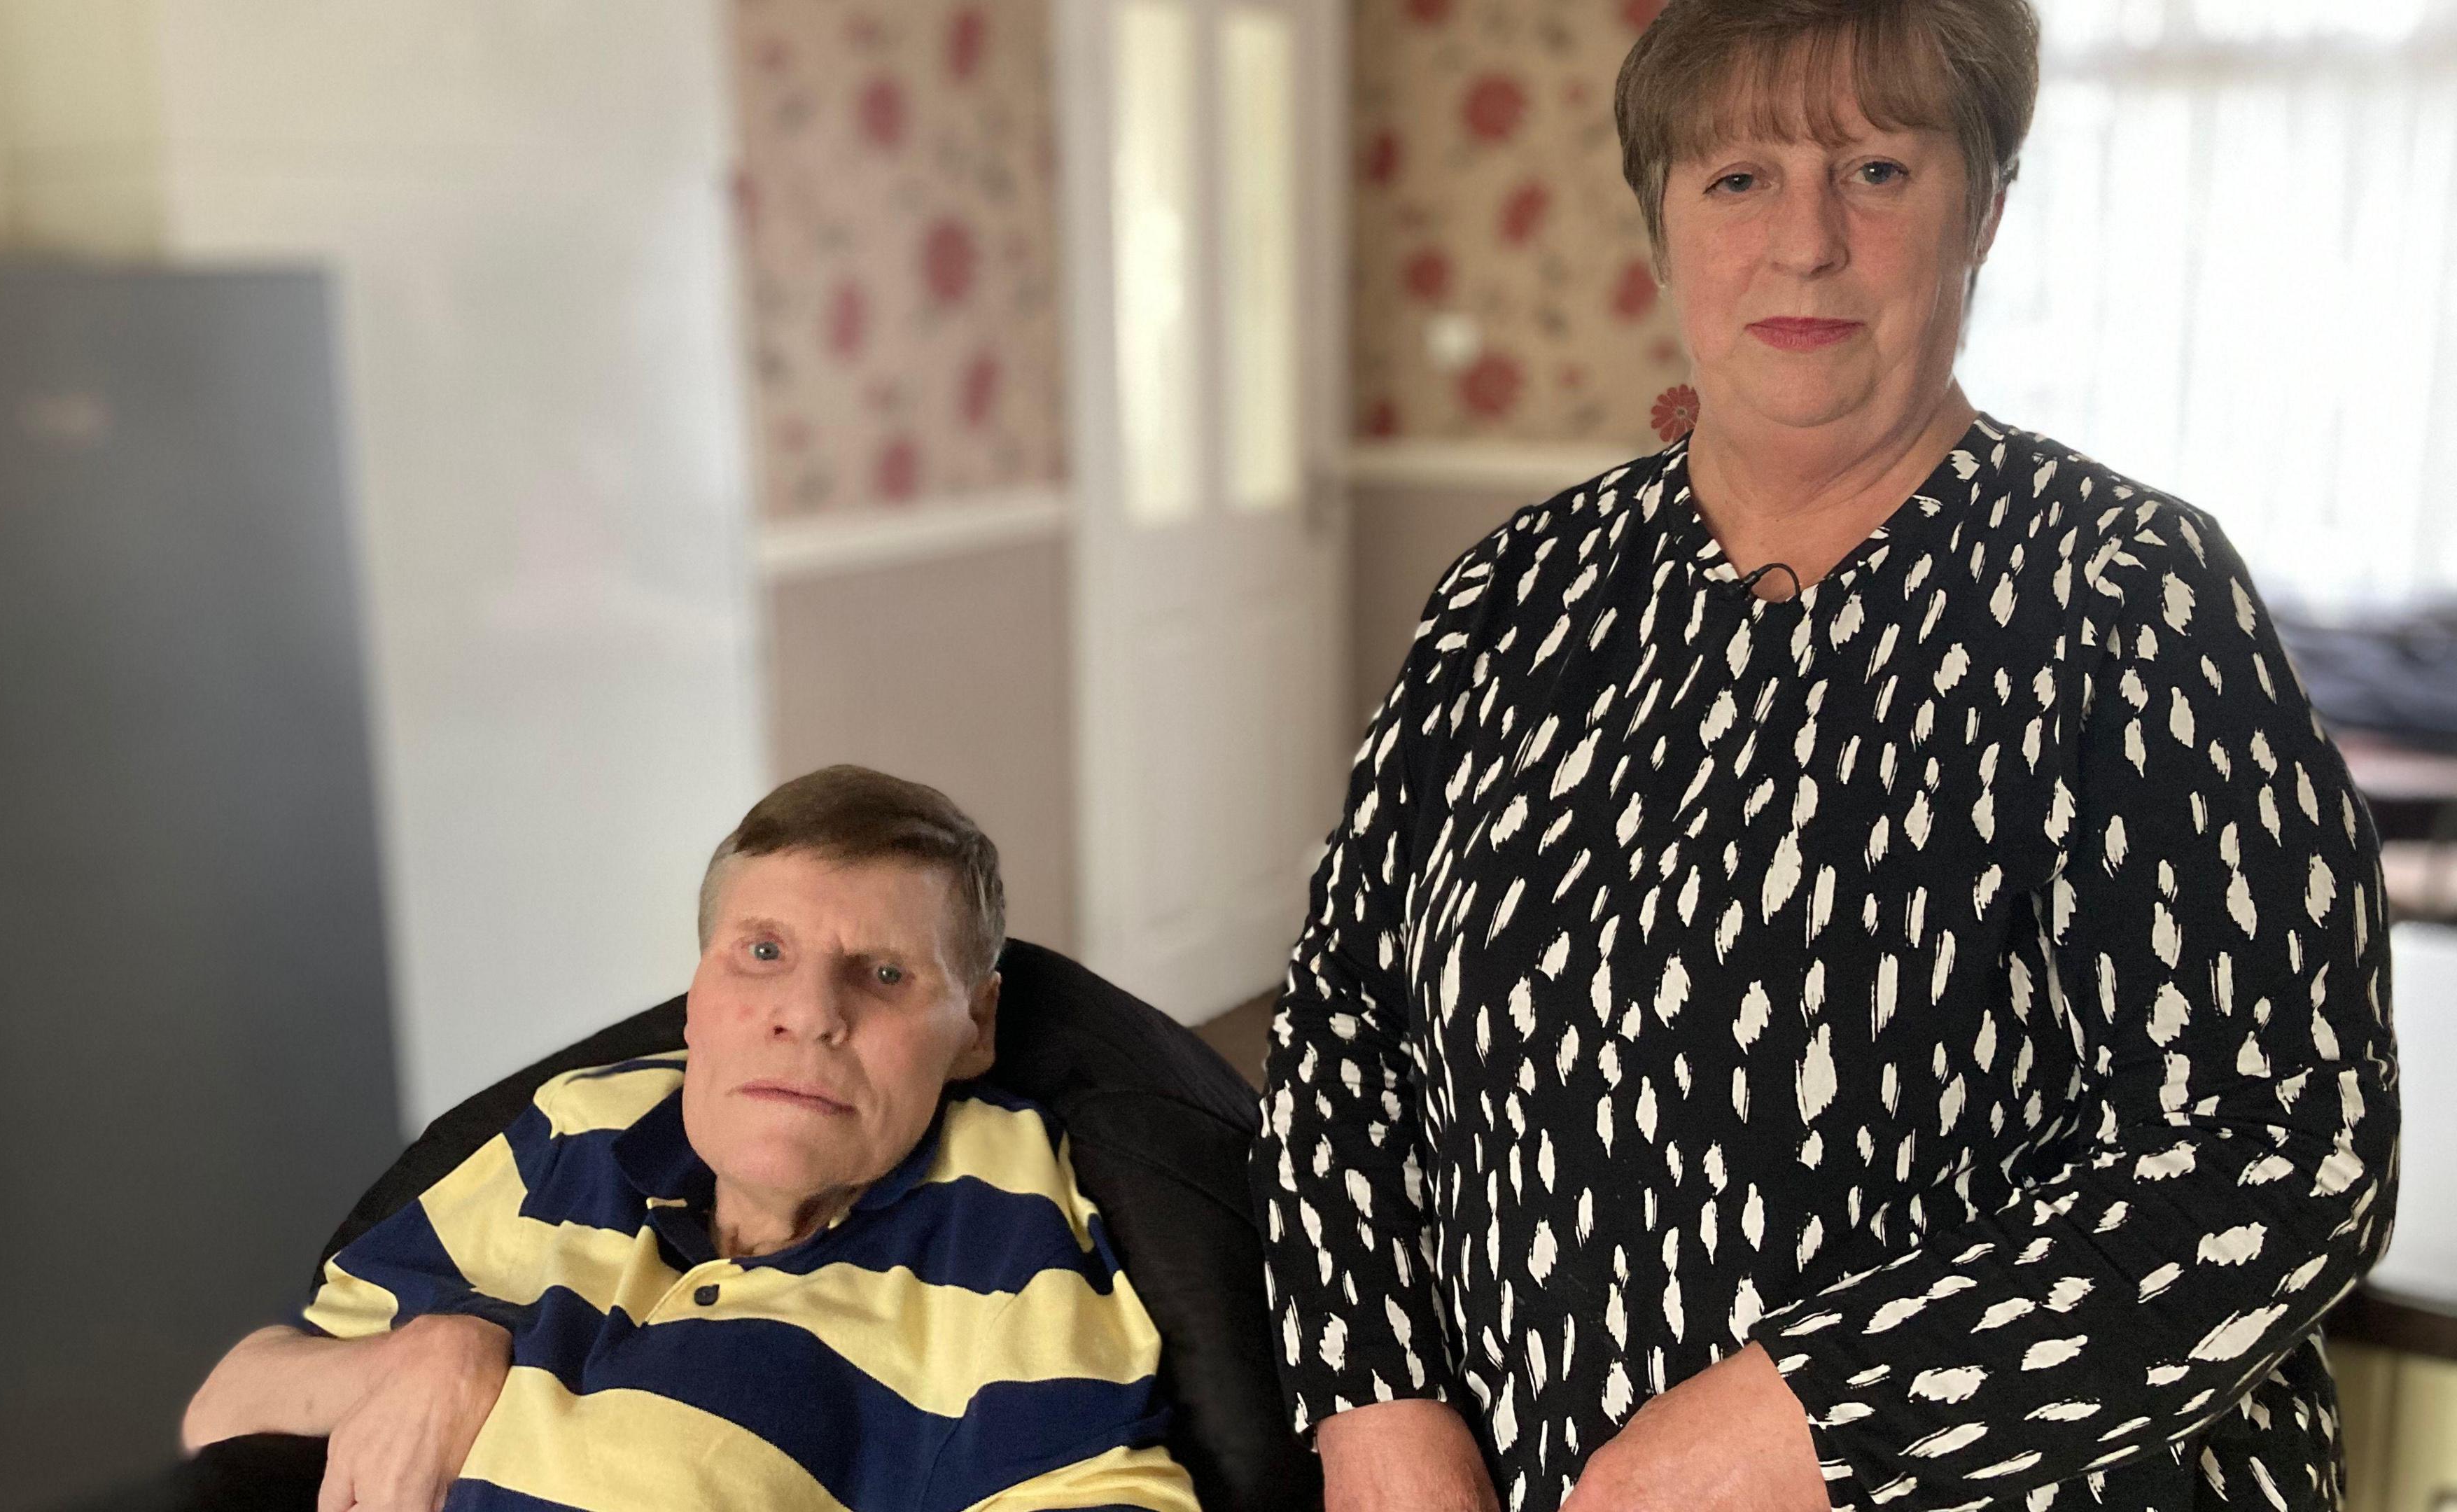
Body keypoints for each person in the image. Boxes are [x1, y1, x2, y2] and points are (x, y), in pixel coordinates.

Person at [1253, 3, 2399, 1510]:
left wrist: (1815, 1420)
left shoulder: (2131, 594)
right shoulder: (1510, 594)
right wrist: (1374, 1401)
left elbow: (2277, 1151)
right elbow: (1346, 1018)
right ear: (1661, 228)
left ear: (1982, 207)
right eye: (1737, 180)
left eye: (1875, 172)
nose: (1805, 243)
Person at [184, 765, 1200, 1512]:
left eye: (884, 975)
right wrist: (428, 1357)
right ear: (699, 990)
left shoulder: (1000, 1217)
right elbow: (230, 1406)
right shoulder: (574, 1130)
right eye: (762, 952)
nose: (806, 1014)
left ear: (975, 1028)